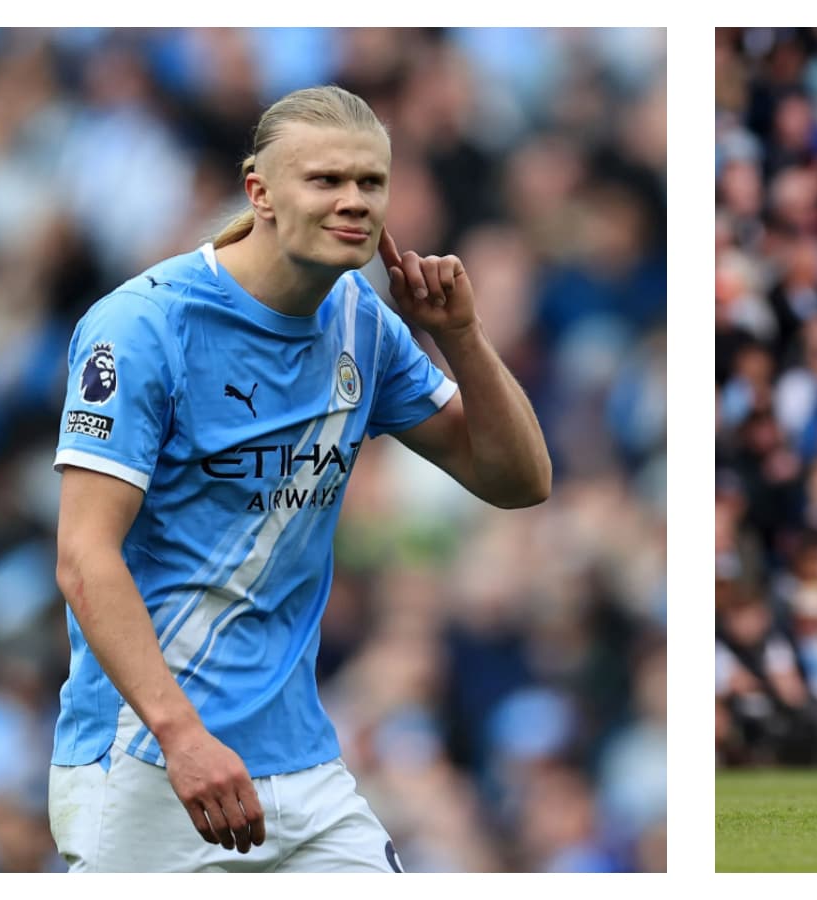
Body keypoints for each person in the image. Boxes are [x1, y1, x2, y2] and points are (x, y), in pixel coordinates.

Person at [49, 85, 551, 871]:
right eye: (326, 181)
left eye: (371, 183)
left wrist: (462, 335)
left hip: (305, 765)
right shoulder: (142, 326)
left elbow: (519, 480)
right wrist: (182, 736)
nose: (354, 202)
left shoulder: (362, 320)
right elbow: (85, 557)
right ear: (261, 192)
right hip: (149, 759)